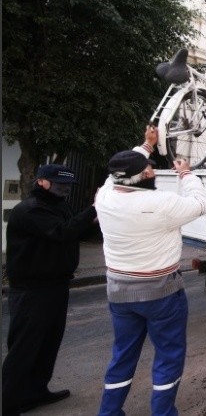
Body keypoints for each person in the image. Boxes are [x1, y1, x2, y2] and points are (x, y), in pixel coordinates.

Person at [95, 126, 206, 416]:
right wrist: (185, 174)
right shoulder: (161, 204)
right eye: (149, 169)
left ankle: (109, 412)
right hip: (162, 295)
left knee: (122, 356)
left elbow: (119, 171)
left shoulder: (104, 197)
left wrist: (147, 146)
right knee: (169, 356)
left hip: (119, 293)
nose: (153, 172)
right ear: (145, 176)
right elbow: (200, 203)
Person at [2, 164, 98, 415]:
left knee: (48, 343)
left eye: (68, 186)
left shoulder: (59, 205)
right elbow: (63, 232)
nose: (64, 190)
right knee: (24, 348)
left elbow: (77, 230)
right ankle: (9, 403)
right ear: (42, 182)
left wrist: (96, 218)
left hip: (56, 286)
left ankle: (36, 391)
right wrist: (94, 209)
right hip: (32, 290)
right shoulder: (30, 210)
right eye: (59, 184)